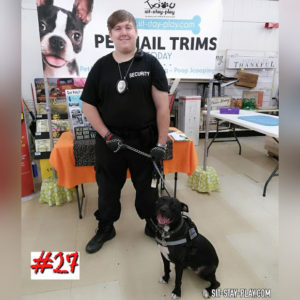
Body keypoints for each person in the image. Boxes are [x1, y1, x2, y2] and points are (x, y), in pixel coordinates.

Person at [81, 9, 170, 254]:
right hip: (111, 142)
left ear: (136, 32)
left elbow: (163, 106)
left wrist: (161, 143)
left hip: (144, 139)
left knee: (147, 188)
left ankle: (152, 224)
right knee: (107, 188)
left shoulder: (150, 63)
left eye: (128, 27)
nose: (124, 32)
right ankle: (106, 227)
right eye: (118, 28)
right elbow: (87, 104)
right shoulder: (101, 67)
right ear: (110, 34)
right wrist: (107, 135)